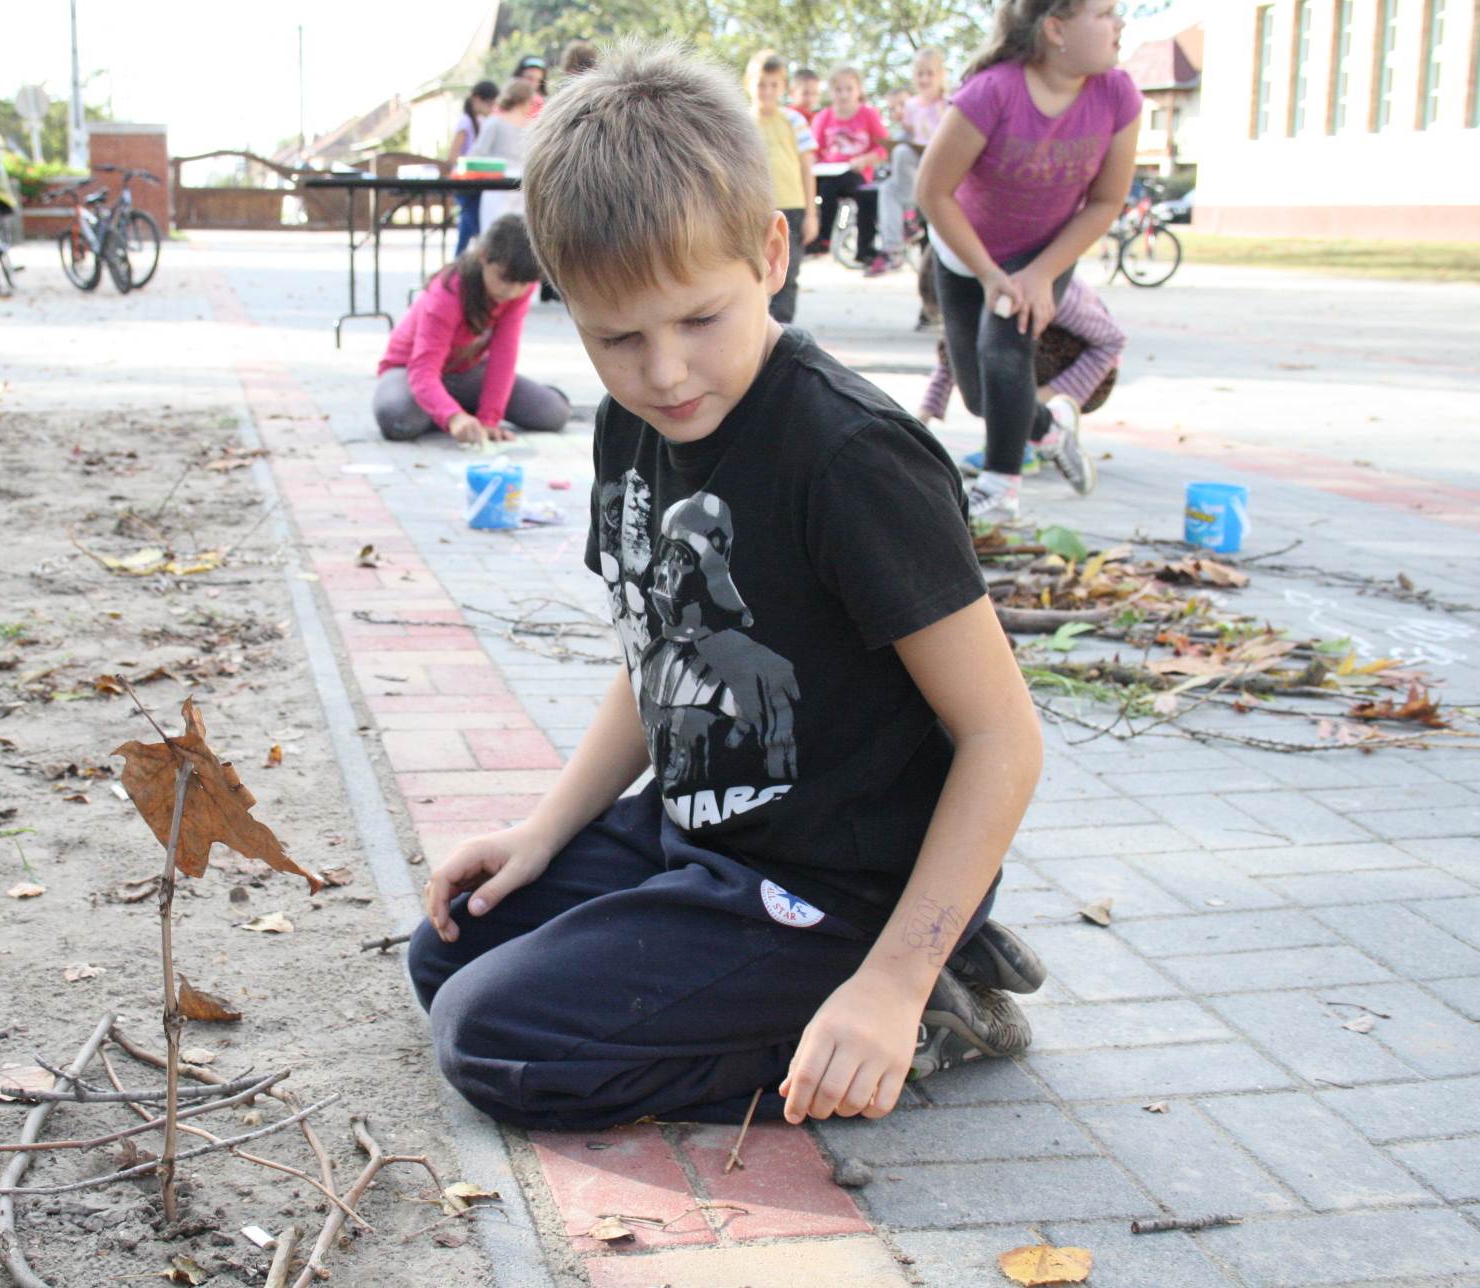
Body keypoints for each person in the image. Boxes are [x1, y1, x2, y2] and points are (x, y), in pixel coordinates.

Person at [407, 41, 1047, 1134]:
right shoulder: (631, 425)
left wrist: (891, 980)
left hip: (842, 880)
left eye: (699, 319)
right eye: (616, 337)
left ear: (770, 251)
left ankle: (924, 1000)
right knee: (450, 948)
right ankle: (826, 982)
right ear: (564, 302)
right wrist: (545, 830)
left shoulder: (851, 458)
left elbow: (1004, 738)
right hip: (704, 831)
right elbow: (655, 654)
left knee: (498, 1041)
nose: (664, 372)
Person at [918, 0, 1140, 521]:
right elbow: (932, 190)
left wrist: (1041, 273)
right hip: (966, 253)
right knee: (980, 396)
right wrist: (988, 273)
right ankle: (1050, 428)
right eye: (1105, 13)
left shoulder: (1117, 94)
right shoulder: (992, 93)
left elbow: (1106, 201)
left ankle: (1000, 486)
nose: (1120, 23)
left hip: (1043, 251)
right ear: (1056, 29)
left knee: (1004, 347)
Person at [372, 214, 568, 444]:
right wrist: (452, 416)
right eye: (505, 279)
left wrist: (489, 418)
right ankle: (452, 411)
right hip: (407, 370)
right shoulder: (447, 292)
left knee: (553, 413)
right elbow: (422, 370)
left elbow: (503, 359)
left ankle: (455, 411)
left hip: (466, 373)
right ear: (484, 257)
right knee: (397, 417)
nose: (513, 291)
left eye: (524, 284)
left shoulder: (518, 290)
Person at [917, 274, 1126, 477]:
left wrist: (1041, 399)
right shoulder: (973, 292)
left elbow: (1112, 341)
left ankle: (1035, 433)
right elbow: (954, 354)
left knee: (1003, 341)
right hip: (1035, 360)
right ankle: (1037, 433)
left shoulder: (1044, 293)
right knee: (968, 339)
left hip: (1089, 375)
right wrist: (918, 424)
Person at [745, 51, 816, 323]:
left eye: (774, 85)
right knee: (753, 272)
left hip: (792, 207)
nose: (767, 91)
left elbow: (807, 168)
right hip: (753, 210)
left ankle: (783, 330)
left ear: (783, 87)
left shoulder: (794, 121)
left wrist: (811, 214)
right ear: (749, 83)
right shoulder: (741, 121)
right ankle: (755, 328)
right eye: (761, 84)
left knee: (787, 271)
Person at [868, 49, 951, 277]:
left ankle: (910, 215)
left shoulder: (947, 103)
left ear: (941, 75)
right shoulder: (912, 105)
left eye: (930, 73)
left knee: (903, 154)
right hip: (916, 165)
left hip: (939, 162)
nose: (924, 79)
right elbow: (912, 136)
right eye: (920, 74)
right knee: (887, 188)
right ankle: (893, 248)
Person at [811, 65, 888, 262]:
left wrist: (865, 160)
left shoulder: (869, 114)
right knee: (826, 188)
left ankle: (865, 247)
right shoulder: (824, 117)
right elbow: (815, 150)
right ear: (831, 92)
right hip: (828, 174)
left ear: (858, 90)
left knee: (867, 196)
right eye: (838, 89)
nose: (844, 94)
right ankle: (822, 238)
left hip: (856, 172)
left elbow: (883, 147)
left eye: (849, 89)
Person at [470, 78, 537, 235]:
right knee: (520, 232)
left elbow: (477, 153)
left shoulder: (494, 122)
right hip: (523, 184)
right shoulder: (533, 127)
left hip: (497, 183)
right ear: (527, 101)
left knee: (493, 230)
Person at [449, 80, 499, 255]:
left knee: (465, 232)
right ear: (477, 99)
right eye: (489, 104)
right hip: (465, 183)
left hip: (476, 181)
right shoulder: (465, 122)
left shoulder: (481, 121)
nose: (491, 108)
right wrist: (470, 163)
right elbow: (453, 156)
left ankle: (458, 263)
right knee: (477, 230)